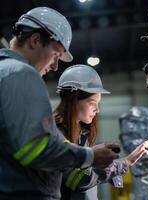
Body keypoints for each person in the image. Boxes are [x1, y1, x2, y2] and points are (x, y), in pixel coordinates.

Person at [0, 7, 119, 200]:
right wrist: (91, 156)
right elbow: (35, 149)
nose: (56, 66)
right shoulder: (21, 74)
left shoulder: (4, 71)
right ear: (35, 40)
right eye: (56, 54)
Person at [54, 64, 148, 200]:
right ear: (73, 100)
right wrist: (127, 161)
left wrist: (111, 166)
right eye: (92, 103)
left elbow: (90, 172)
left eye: (98, 103)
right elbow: (78, 180)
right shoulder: (56, 135)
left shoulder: (81, 134)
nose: (97, 110)